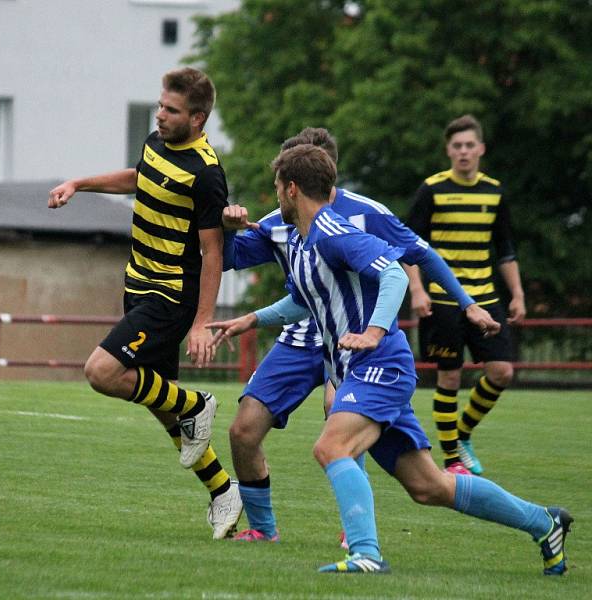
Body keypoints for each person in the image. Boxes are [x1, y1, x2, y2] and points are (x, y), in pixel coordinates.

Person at [206, 143, 572, 575]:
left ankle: (366, 553)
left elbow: (395, 273)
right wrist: (251, 319)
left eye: (275, 188)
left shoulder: (334, 231)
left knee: (331, 446)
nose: (274, 197)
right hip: (365, 369)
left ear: (290, 189)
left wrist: (374, 331)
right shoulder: (306, 241)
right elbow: (305, 301)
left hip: (379, 364)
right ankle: (544, 522)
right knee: (428, 485)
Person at [218, 128, 499, 544]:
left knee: (340, 416)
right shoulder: (281, 222)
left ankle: (357, 537)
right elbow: (232, 259)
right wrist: (228, 230)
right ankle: (264, 528)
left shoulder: (363, 215)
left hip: (356, 344)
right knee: (243, 430)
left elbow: (418, 256)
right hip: (302, 337)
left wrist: (466, 303)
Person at [48, 67, 242, 538]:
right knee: (162, 406)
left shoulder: (206, 173)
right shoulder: (156, 143)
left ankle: (198, 403)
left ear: (197, 119)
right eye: (160, 106)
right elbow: (139, 178)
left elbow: (212, 253)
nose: (160, 116)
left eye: (171, 111)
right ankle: (223, 492)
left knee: (102, 371)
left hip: (170, 296)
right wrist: (79, 182)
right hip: (137, 286)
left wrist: (201, 323)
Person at [406, 115, 526, 475]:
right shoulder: (432, 189)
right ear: (448, 150)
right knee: (450, 377)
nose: (463, 151)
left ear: (480, 149)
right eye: (456, 146)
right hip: (443, 300)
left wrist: (517, 293)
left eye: (469, 145)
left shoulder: (494, 192)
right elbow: (408, 245)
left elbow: (505, 249)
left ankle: (462, 432)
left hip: (486, 297)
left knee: (502, 371)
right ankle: (452, 461)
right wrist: (417, 290)